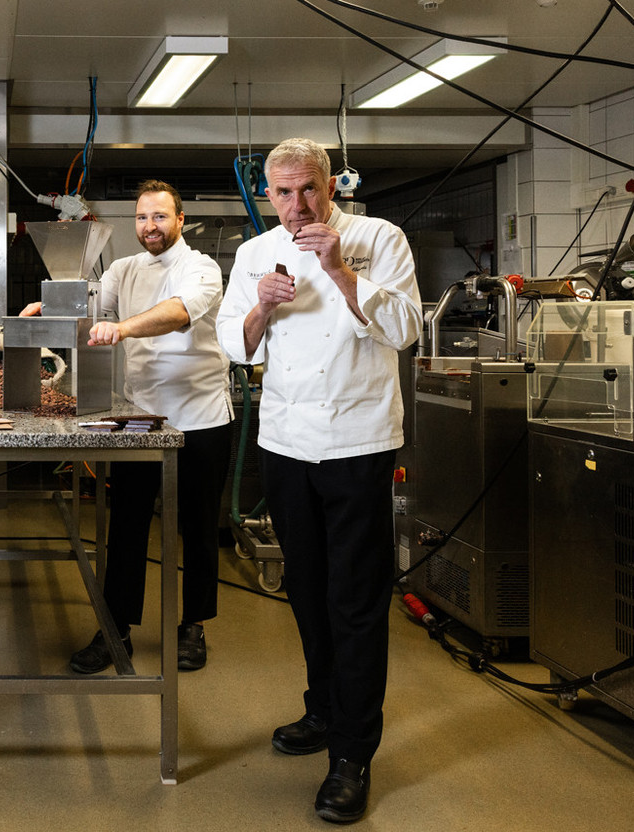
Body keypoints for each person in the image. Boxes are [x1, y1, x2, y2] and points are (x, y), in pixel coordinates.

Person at [216, 138, 422, 823]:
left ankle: (351, 755)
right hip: (284, 440)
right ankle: (321, 711)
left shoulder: (376, 238)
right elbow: (232, 344)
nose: (296, 205)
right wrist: (261, 310)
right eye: (282, 192)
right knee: (304, 588)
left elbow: (405, 329)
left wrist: (339, 273)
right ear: (266, 194)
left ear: (329, 185)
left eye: (307, 189)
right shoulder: (252, 255)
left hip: (358, 440)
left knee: (355, 599)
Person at [22, 180, 232, 673]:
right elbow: (95, 312)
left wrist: (123, 328)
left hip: (199, 415)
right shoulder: (123, 268)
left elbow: (179, 313)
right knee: (128, 523)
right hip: (141, 416)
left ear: (180, 220)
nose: (150, 227)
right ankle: (115, 628)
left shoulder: (200, 268)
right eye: (141, 218)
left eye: (160, 217)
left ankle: (193, 626)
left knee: (197, 527)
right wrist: (46, 311)